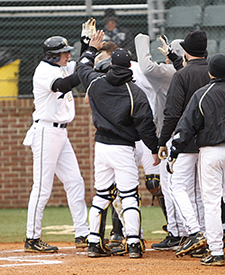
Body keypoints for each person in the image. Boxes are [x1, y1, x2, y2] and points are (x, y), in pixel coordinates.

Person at [77, 30, 160, 258]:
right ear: (130, 67)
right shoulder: (135, 92)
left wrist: (91, 48)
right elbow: (146, 127)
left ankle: (94, 242)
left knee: (101, 195)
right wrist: (154, 149)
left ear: (111, 64)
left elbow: (82, 66)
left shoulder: (96, 83)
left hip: (101, 147)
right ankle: (133, 242)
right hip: (124, 148)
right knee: (129, 195)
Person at [22, 19, 97, 252]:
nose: (67, 55)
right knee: (42, 187)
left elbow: (81, 68)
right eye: (64, 52)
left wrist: (86, 43)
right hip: (45, 132)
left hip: (61, 134)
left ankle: (82, 233)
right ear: (54, 55)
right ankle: (32, 238)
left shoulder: (61, 66)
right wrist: (91, 51)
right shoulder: (45, 71)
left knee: (75, 181)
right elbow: (64, 85)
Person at [166, 53, 225, 266]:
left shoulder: (203, 93)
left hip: (211, 151)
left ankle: (217, 251)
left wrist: (175, 151)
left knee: (211, 202)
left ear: (211, 73)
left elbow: (186, 127)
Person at [158, 30, 210, 257]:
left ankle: (195, 232)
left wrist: (162, 141)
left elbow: (172, 113)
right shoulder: (215, 71)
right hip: (210, 141)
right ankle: (207, 237)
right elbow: (193, 72)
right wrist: (175, 57)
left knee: (177, 186)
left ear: (186, 52)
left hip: (186, 140)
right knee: (202, 193)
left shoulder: (181, 76)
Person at [135, 33, 188, 251]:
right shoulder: (198, 71)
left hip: (173, 136)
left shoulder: (170, 72)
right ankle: (184, 231)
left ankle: (180, 233)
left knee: (171, 187)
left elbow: (147, 68)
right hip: (193, 136)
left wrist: (141, 39)